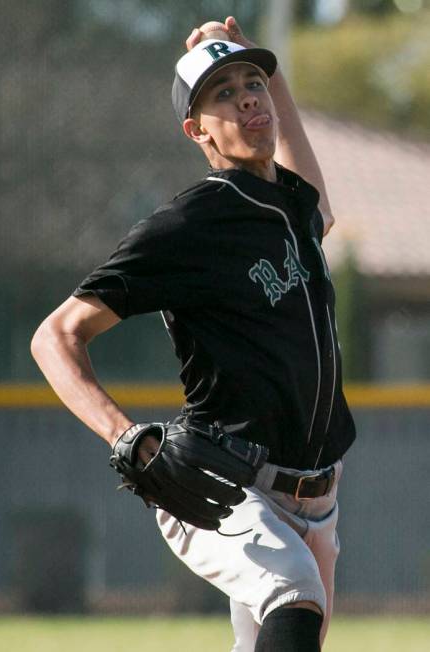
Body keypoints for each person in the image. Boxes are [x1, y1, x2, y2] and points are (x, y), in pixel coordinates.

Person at [31, 16, 356, 652]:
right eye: (224, 93)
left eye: (253, 82)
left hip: (318, 497)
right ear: (197, 130)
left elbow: (317, 196)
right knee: (296, 599)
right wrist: (126, 436)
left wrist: (262, 66)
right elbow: (56, 334)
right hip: (225, 484)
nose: (248, 97)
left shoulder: (291, 205)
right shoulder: (191, 222)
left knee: (281, 628)